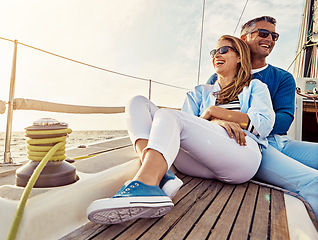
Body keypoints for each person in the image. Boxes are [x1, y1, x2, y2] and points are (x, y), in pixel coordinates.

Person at [86, 35, 275, 225]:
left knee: (169, 115)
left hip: (240, 155)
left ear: (240, 56)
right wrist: (212, 123)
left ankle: (146, 183)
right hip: (197, 162)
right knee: (136, 102)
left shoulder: (255, 87)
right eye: (214, 52)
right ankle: (160, 176)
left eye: (224, 50)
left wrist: (214, 112)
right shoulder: (200, 92)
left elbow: (264, 124)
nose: (217, 55)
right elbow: (184, 126)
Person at [207, 16, 318, 220]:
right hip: (247, 143)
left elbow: (285, 119)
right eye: (263, 33)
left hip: (278, 141)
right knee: (312, 182)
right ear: (244, 38)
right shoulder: (218, 78)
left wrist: (254, 123)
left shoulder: (282, 77)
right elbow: (206, 114)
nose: (270, 39)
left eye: (274, 36)